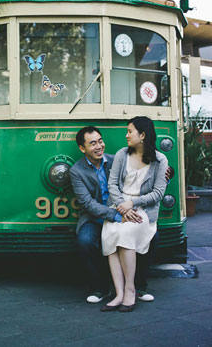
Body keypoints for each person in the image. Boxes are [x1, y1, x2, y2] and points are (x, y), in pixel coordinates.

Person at [70, 125, 163, 304]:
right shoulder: (77, 171)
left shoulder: (117, 160)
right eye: (92, 144)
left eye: (100, 141)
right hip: (96, 217)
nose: (99, 146)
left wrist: (164, 173)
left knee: (153, 235)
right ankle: (100, 288)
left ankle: (139, 286)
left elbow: (137, 179)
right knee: (85, 241)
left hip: (125, 211)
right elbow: (88, 204)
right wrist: (117, 215)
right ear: (82, 148)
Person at [100, 116, 168, 312]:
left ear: (143, 135)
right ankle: (119, 293)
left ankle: (130, 289)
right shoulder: (122, 154)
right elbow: (112, 183)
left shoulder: (159, 160)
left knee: (126, 233)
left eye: (130, 131)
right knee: (110, 232)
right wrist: (122, 205)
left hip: (143, 209)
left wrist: (133, 202)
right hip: (120, 206)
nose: (126, 135)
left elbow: (157, 193)